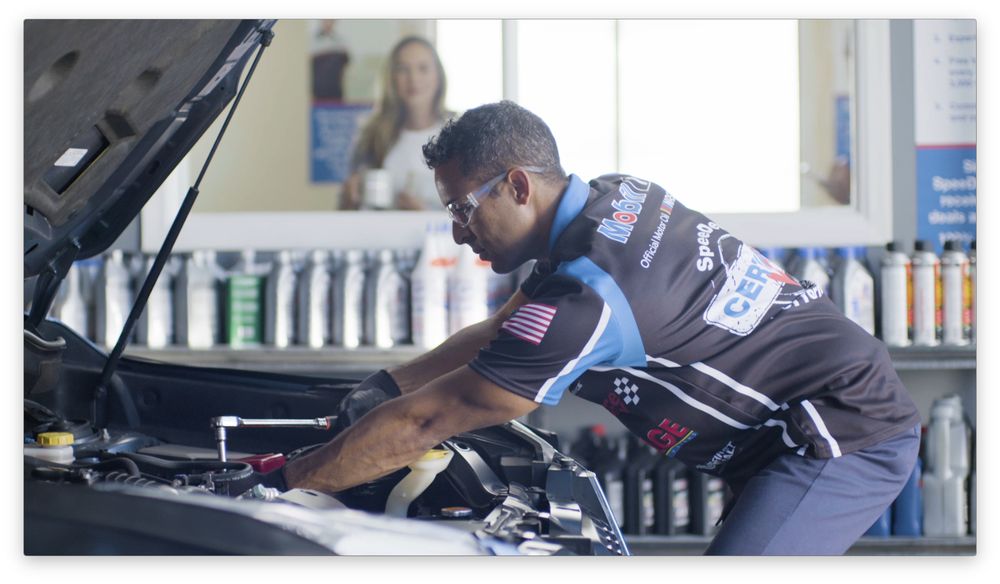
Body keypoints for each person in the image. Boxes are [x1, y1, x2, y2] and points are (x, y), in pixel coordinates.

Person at [280, 101, 921, 555]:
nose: (457, 231)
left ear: (518, 186)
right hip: (794, 411)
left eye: (462, 208)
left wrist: (280, 487)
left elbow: (427, 423)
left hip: (837, 427)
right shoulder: (616, 197)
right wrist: (386, 387)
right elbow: (503, 329)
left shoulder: (591, 298)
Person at [340, 36, 453, 210]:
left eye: (423, 68)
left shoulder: (458, 133)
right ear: (391, 78)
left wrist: (425, 215)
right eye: (403, 69)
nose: (413, 78)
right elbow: (347, 211)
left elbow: (475, 211)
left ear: (438, 76)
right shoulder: (372, 135)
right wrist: (349, 199)